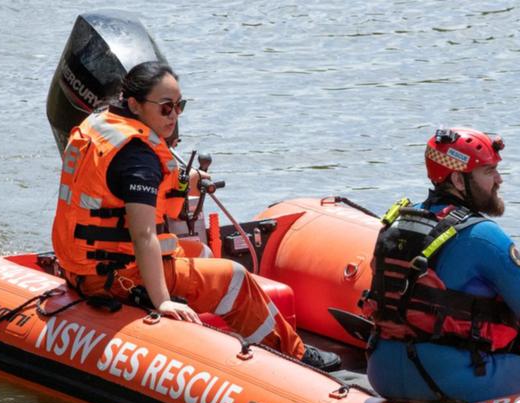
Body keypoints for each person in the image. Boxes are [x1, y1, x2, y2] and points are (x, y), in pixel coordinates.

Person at [51, 61, 339, 371]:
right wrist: (162, 300)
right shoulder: (137, 156)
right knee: (235, 279)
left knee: (199, 251)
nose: (174, 116)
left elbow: (120, 187)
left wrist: (188, 180)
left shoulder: (102, 124)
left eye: (179, 106)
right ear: (134, 103)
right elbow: (143, 234)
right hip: (116, 277)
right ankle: (293, 356)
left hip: (84, 264)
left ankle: (196, 336)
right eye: (165, 107)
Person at [362, 127, 520, 403]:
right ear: (458, 179)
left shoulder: (397, 221)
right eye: (489, 172)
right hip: (452, 379)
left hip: (382, 375)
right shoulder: (484, 235)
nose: (499, 180)